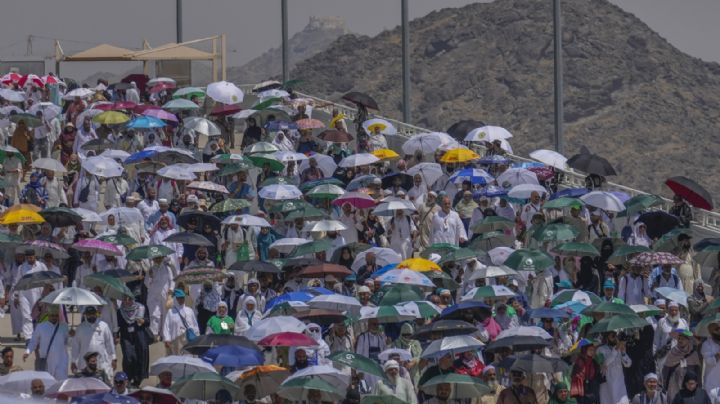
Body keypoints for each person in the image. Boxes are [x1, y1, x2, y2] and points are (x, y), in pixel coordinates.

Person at [24, 305, 68, 380]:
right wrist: (28, 351)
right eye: (52, 315)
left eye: (56, 315)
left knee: (61, 382)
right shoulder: (41, 326)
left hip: (61, 360)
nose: (54, 317)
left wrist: (72, 335)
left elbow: (68, 342)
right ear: (48, 315)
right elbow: (34, 341)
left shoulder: (64, 327)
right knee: (48, 383)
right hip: (47, 360)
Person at [70, 306, 116, 378]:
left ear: (96, 314)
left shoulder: (104, 326)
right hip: (85, 365)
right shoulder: (80, 328)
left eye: (93, 314)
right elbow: (75, 346)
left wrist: (113, 358)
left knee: (104, 386)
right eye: (89, 314)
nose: (91, 316)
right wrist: (73, 361)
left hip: (101, 363)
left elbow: (109, 343)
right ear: (85, 315)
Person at [117, 294, 150, 387]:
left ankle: (137, 380)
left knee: (139, 357)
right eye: (125, 299)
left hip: (139, 335)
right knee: (128, 357)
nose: (127, 301)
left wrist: (143, 321)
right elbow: (118, 324)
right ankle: (127, 377)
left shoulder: (141, 308)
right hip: (126, 336)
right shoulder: (120, 311)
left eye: (129, 299)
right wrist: (116, 335)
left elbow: (148, 322)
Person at [663, 330, 701, 401]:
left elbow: (698, 372)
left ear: (688, 340)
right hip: (674, 384)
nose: (680, 340)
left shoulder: (694, 354)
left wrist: (699, 387)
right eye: (679, 338)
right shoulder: (672, 352)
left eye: (683, 339)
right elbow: (665, 370)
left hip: (689, 385)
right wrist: (664, 386)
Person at [598, 331, 632, 404]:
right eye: (613, 336)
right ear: (607, 337)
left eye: (616, 336)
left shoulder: (619, 348)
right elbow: (605, 363)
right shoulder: (600, 349)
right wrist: (616, 349)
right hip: (607, 382)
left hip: (619, 382)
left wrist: (623, 352)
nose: (615, 338)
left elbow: (628, 364)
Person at [162, 289, 199, 355]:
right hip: (175, 340)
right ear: (175, 299)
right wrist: (167, 339)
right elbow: (166, 327)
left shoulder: (189, 310)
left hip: (188, 339)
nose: (181, 300)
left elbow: (195, 325)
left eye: (182, 297)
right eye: (179, 298)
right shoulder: (170, 312)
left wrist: (197, 336)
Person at [701, 323, 720, 399]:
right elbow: (708, 361)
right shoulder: (706, 344)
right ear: (711, 331)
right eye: (716, 329)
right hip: (711, 379)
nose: (719, 331)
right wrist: (718, 355)